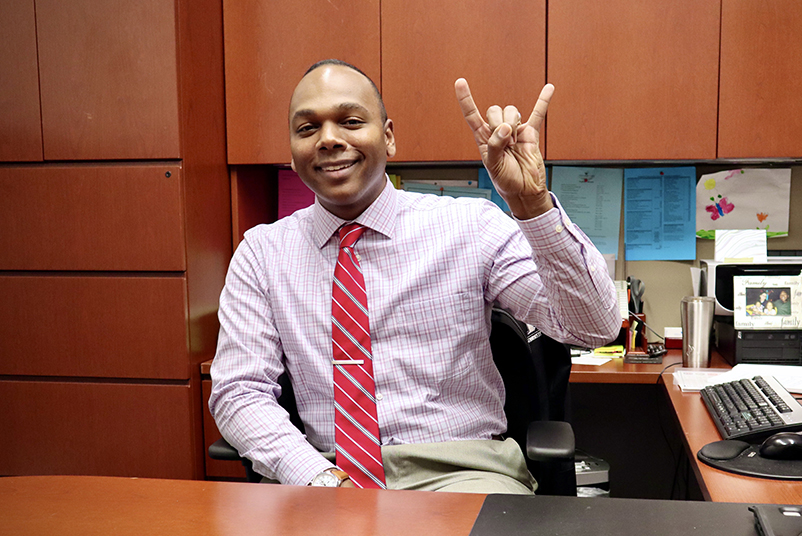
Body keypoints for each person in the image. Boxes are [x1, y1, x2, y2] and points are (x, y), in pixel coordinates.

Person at [209, 59, 619, 493]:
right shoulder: (261, 253)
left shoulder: (471, 226)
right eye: (307, 129)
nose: (328, 139)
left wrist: (532, 204)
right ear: (293, 154)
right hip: (328, 477)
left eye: (350, 121)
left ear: (388, 137)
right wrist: (316, 477)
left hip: (463, 473)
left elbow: (594, 326)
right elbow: (239, 392)